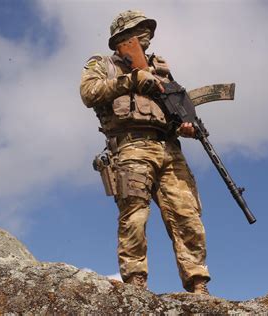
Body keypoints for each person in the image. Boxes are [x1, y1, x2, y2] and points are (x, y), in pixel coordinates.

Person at [80, 9, 210, 295]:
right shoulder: (104, 65)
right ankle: (136, 283)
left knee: (187, 215)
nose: (147, 33)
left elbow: (172, 112)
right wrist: (132, 80)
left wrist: (185, 127)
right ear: (122, 37)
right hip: (130, 145)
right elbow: (88, 93)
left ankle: (198, 283)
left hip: (168, 147)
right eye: (140, 29)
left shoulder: (162, 69)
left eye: (148, 28)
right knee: (135, 216)